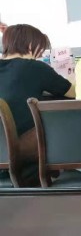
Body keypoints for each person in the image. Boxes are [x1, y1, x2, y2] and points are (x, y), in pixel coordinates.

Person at [0, 24, 75, 163]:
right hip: (17, 148)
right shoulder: (34, 67)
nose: (41, 53)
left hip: (3, 151)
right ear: (30, 45)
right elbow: (73, 92)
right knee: (64, 122)